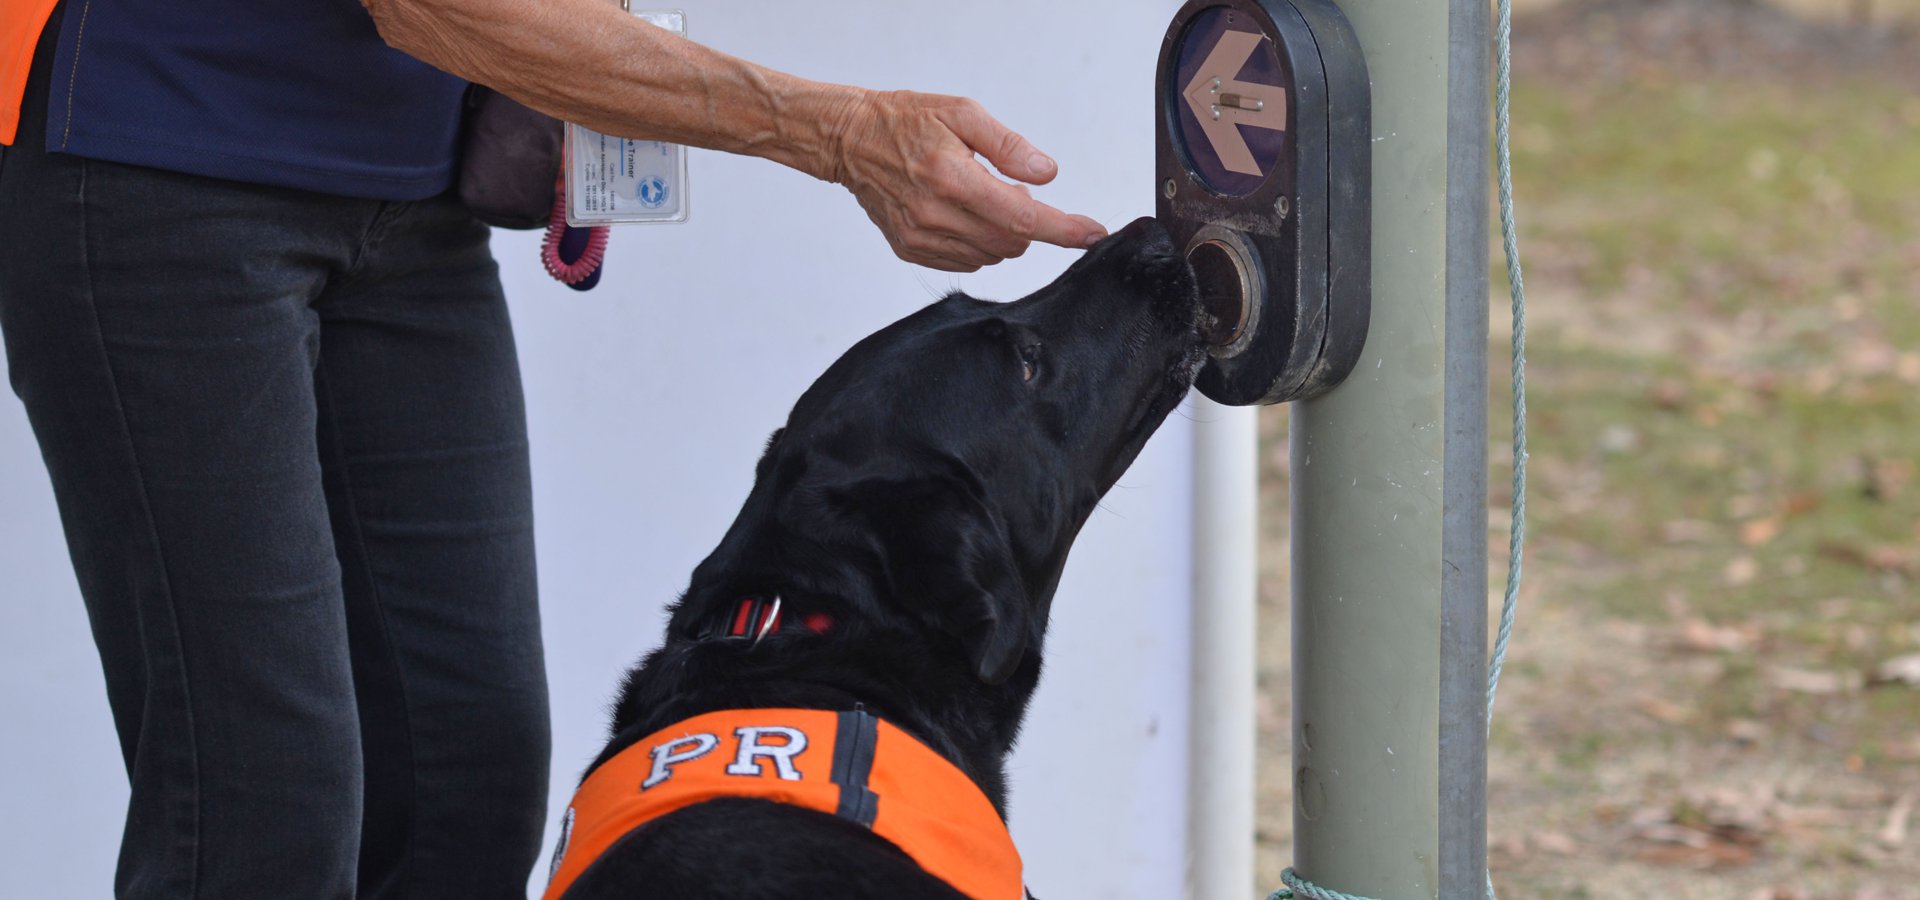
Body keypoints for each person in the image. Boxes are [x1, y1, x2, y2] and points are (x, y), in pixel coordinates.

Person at [0, 0, 1108, 897]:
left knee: (463, 783)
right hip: (167, 169)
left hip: (407, 205)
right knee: (263, 807)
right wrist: (839, 131)